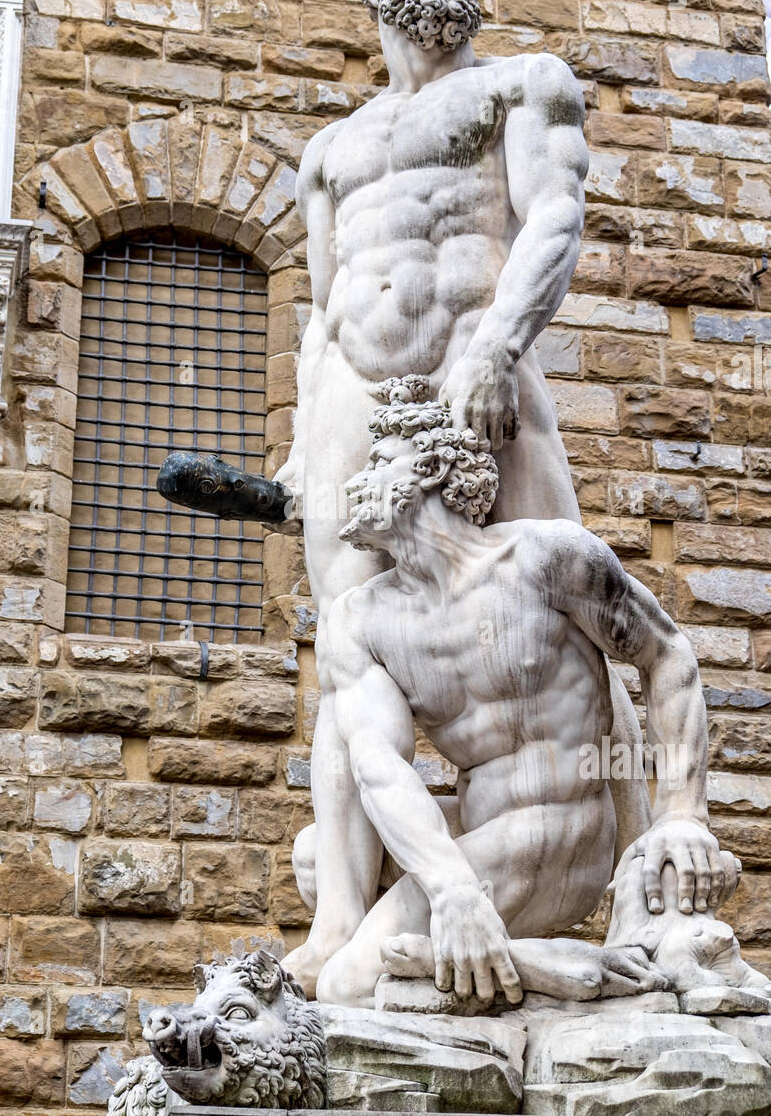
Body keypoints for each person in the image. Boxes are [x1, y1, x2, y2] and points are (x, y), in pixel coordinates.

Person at [277, 0, 647, 994]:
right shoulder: (328, 150)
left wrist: (495, 343)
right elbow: (319, 300)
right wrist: (304, 441)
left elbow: (551, 216)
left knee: (571, 618)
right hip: (352, 396)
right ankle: (339, 920)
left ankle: (634, 876)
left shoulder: (517, 83)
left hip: (479, 377)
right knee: (348, 660)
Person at [308, 378, 760, 1010]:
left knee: (347, 984)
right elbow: (378, 764)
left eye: (380, 463)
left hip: (562, 829)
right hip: (485, 834)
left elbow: (666, 654)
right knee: (312, 859)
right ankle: (555, 967)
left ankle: (510, 962)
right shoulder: (361, 620)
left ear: (433, 467)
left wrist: (681, 811)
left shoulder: (545, 557)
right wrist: (453, 891)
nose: (357, 481)